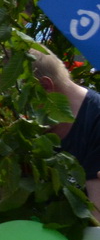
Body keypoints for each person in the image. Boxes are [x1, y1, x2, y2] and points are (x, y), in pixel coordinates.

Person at [31, 51, 100, 212]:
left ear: (45, 87)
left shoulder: (95, 121)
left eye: (19, 99)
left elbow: (97, 220)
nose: (15, 112)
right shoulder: (33, 131)